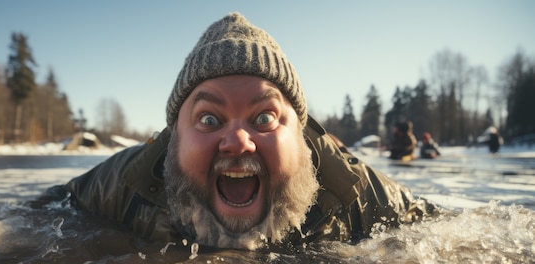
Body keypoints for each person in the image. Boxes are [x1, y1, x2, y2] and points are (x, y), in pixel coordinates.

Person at [33, 13, 435, 250]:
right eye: (209, 119)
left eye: (264, 118)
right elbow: (40, 212)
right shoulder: (127, 181)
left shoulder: (356, 192)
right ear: (175, 137)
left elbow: (447, 228)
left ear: (300, 134)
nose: (238, 140)